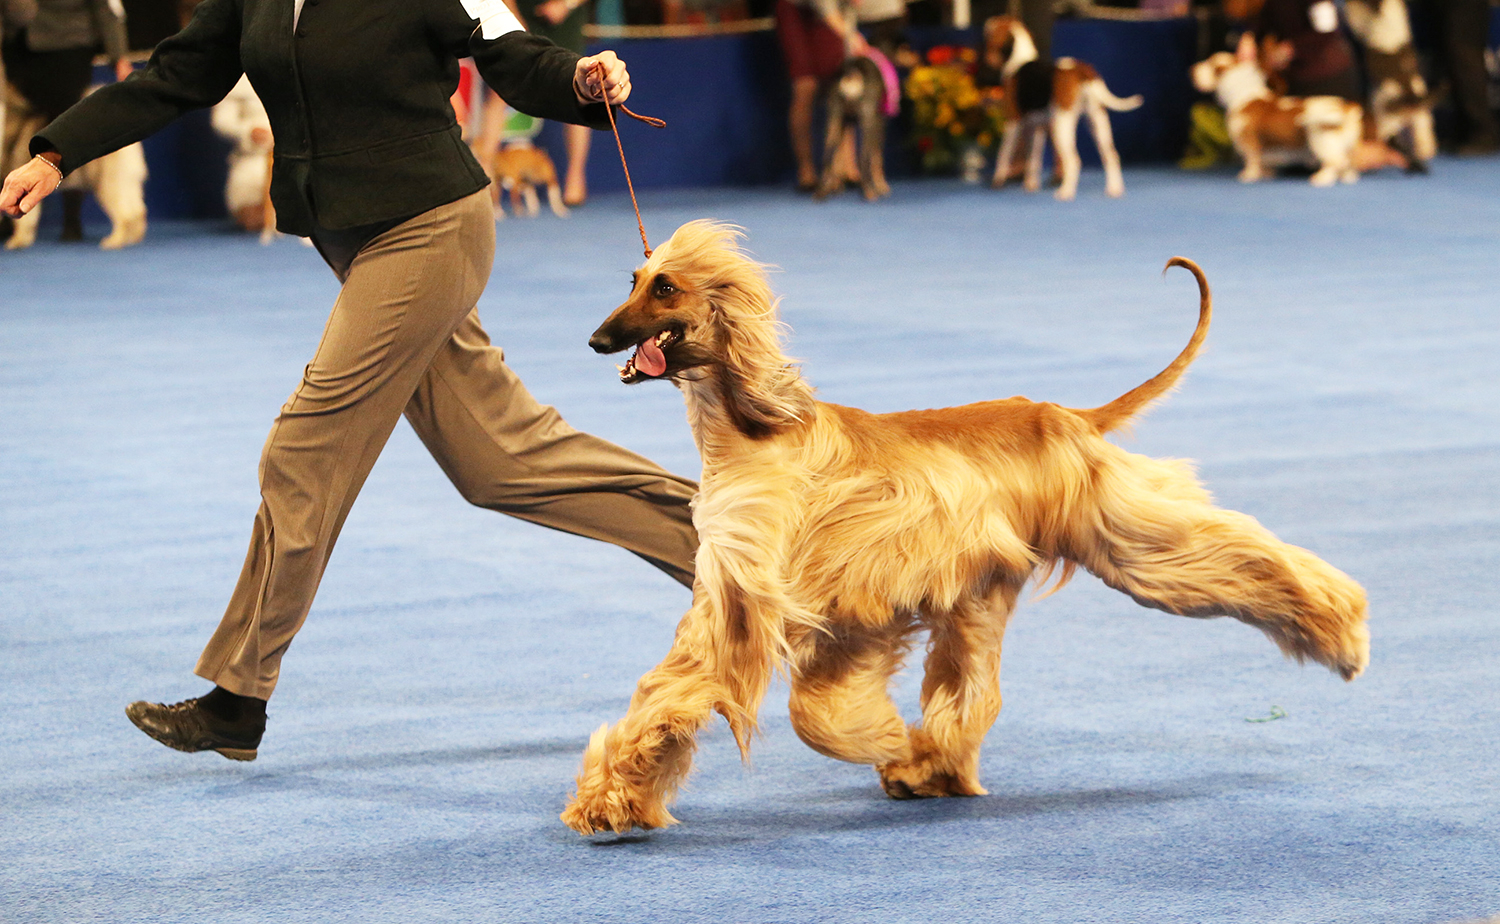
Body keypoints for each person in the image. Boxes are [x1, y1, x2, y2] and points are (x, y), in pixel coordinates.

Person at [0, 0, 699, 762]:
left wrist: (582, 80)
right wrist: (55, 155)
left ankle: (238, 698)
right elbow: (175, 75)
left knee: (305, 451)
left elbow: (511, 50)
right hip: (352, 238)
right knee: (501, 460)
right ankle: (737, 550)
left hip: (431, 226)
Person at [2, 0, 131, 240]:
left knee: (65, 133)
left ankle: (72, 217)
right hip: (20, 55)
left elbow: (108, 10)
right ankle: (14, 220)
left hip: (68, 53)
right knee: (15, 141)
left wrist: (119, 57)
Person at [775, 0, 866, 191]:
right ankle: (806, 171)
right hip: (795, 10)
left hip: (832, 9)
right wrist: (849, 35)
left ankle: (846, 167)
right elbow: (825, 6)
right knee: (805, 85)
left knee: (839, 82)